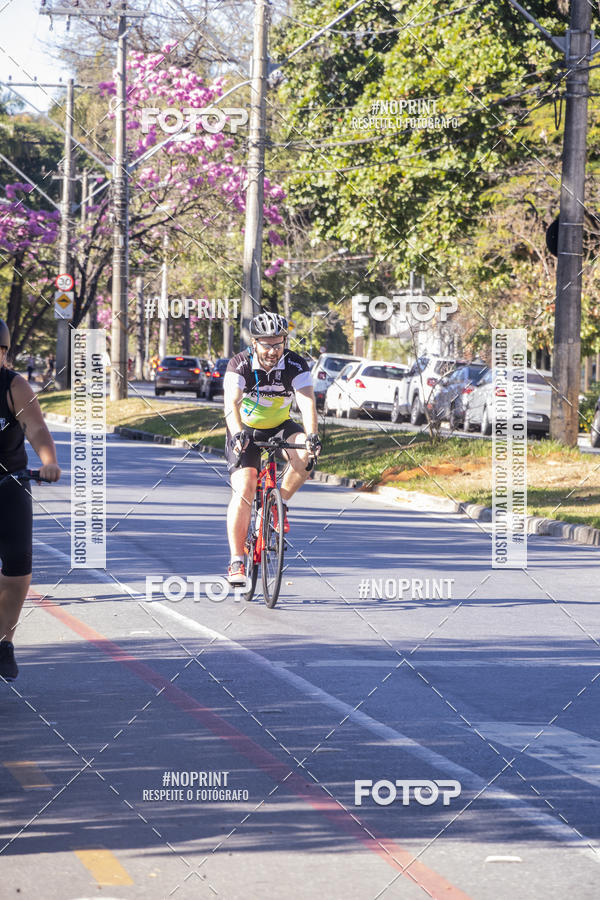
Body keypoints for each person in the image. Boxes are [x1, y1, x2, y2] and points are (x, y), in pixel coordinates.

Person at [223, 311, 321, 585]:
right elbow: (231, 404)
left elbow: (306, 402)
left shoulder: (295, 364)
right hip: (246, 428)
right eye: (267, 344)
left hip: (280, 425)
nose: (273, 350)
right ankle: (236, 561)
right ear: (254, 343)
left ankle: (278, 505)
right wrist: (238, 433)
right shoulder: (239, 364)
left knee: (305, 454)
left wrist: (312, 435)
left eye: (278, 344)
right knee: (245, 488)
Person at [0, 320, 61, 680]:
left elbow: (37, 429)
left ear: (4, 353)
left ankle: (4, 642)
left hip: (9, 482)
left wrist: (49, 462)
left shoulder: (14, 386)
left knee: (18, 565)